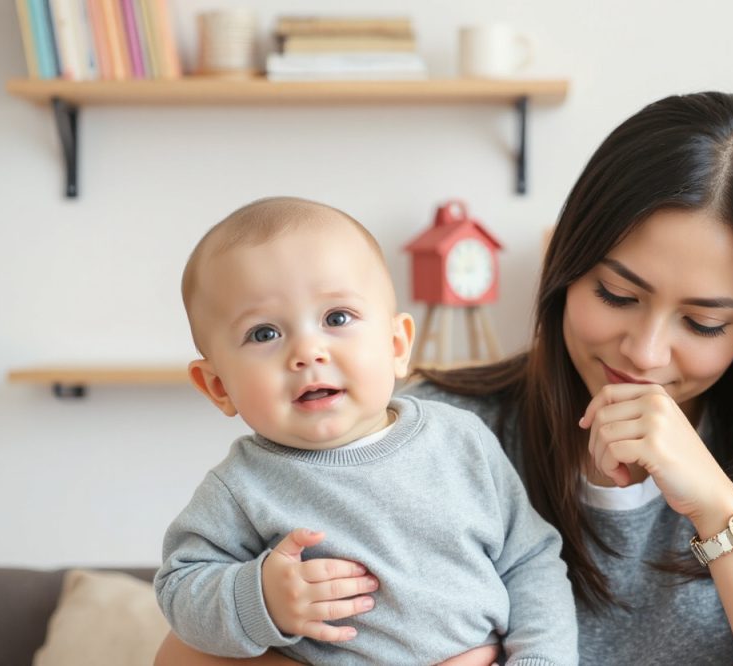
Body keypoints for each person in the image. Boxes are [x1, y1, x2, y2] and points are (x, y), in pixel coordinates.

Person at [157, 93, 733, 665]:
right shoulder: (432, 429)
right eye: (616, 295)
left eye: (703, 323)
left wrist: (715, 505)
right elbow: (181, 651)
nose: (644, 352)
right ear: (563, 270)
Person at [154, 197, 578, 666]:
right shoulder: (240, 487)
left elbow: (531, 561)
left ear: (397, 345)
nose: (307, 351)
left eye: (336, 318)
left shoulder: (462, 440)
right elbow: (179, 588)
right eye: (264, 333)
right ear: (217, 386)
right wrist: (262, 600)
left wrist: (539, 659)